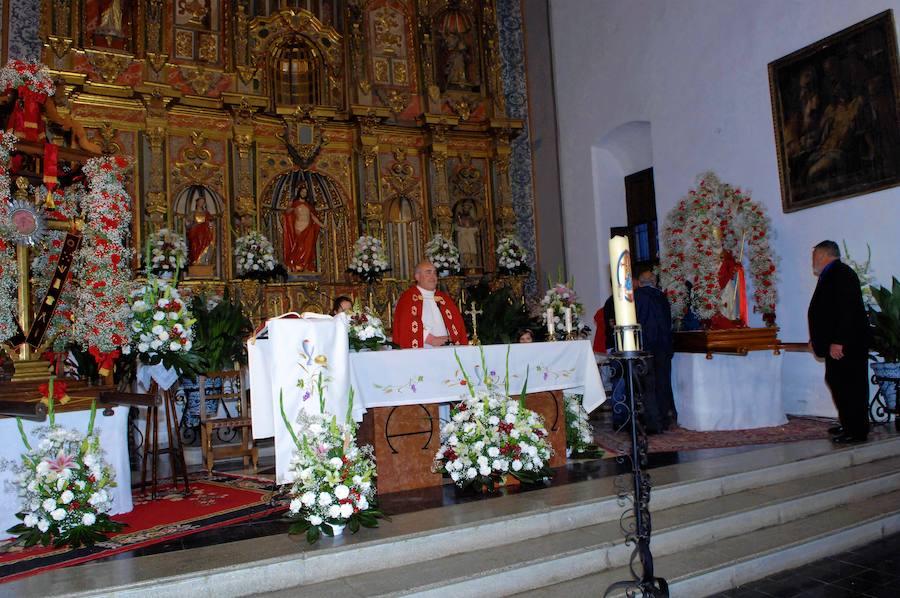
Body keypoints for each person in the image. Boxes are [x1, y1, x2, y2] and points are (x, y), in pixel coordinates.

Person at [808, 240, 870, 443]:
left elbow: (847, 311)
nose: (812, 260)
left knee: (849, 386)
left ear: (822, 255)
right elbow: (828, 313)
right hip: (837, 343)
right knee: (839, 383)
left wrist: (838, 341)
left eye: (814, 256)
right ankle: (849, 424)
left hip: (845, 345)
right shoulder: (832, 273)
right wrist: (817, 339)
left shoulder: (841, 274)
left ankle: (856, 431)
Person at [392, 261, 468, 348]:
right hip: (423, 351)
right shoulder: (408, 298)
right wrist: (430, 339)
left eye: (435, 273)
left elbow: (458, 326)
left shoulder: (445, 299)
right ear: (417, 277)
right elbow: (406, 325)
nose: (433, 276)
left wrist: (452, 338)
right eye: (428, 272)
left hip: (448, 350)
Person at [283, 185, 323, 272]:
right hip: (298, 228)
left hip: (308, 229)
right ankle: (297, 265)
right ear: (299, 193)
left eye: (305, 192)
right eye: (302, 192)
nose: (304, 193)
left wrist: (322, 225)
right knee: (299, 248)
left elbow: (313, 217)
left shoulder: (308, 205)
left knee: (308, 248)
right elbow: (287, 213)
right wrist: (289, 206)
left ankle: (306, 266)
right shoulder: (295, 203)